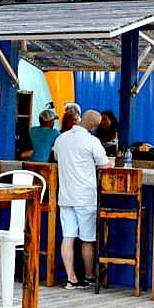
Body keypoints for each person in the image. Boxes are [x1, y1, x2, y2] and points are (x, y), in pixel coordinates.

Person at [52, 109, 111, 289]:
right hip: (85, 196)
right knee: (87, 238)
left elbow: (55, 158)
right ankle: (89, 276)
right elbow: (105, 165)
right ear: (93, 127)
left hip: (65, 195)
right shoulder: (92, 141)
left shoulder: (60, 139)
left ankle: (71, 278)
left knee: (68, 236)